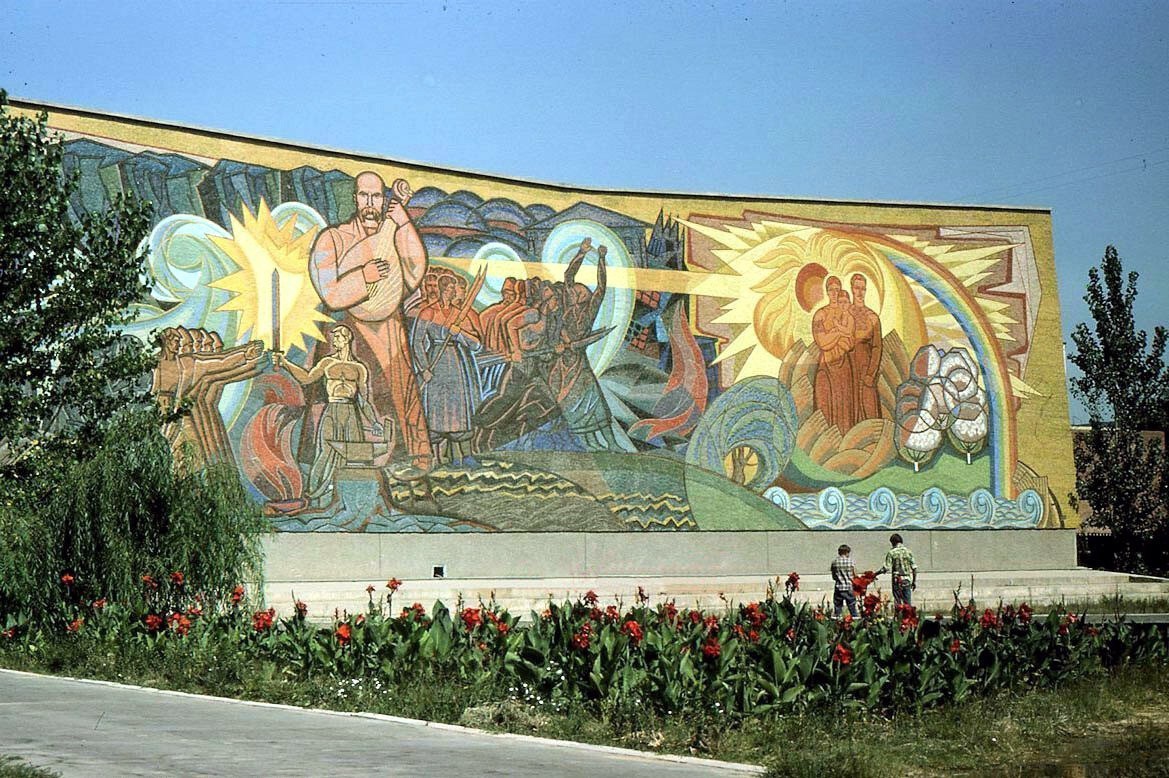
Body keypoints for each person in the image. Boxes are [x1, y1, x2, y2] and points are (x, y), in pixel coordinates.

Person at [307, 171, 432, 476]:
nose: (370, 203)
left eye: (376, 196)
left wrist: (402, 223)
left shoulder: (391, 231)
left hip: (388, 323)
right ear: (355, 199)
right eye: (364, 195)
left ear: (383, 199)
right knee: (347, 390)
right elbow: (330, 293)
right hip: (346, 327)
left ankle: (416, 458)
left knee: (400, 389)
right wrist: (365, 277)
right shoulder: (333, 238)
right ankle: (335, 460)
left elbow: (414, 272)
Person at [274, 325, 382, 506]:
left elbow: (364, 400)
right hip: (332, 411)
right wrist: (285, 362)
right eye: (334, 337)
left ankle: (349, 497)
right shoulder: (327, 363)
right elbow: (306, 378)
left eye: (338, 336)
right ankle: (314, 495)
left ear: (347, 338)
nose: (335, 340)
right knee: (325, 452)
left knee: (353, 453)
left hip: (351, 413)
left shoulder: (359, 368)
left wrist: (374, 423)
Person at [812, 276, 857, 431]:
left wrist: (834, 334)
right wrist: (839, 334)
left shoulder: (846, 313)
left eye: (837, 290)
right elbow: (822, 343)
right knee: (825, 403)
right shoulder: (820, 314)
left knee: (844, 405)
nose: (834, 293)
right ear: (826, 291)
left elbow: (850, 342)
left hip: (843, 366)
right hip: (826, 365)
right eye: (831, 289)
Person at [849, 274, 883, 421]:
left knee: (868, 403)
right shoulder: (844, 312)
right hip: (847, 367)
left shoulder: (873, 317)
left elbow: (877, 347)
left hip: (864, 366)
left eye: (863, 289)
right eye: (857, 288)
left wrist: (871, 373)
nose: (860, 292)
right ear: (851, 289)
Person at [877, 533, 918, 606]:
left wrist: (875, 574)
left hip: (897, 579)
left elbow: (886, 568)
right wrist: (914, 581)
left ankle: (899, 616)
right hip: (907, 579)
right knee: (907, 603)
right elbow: (914, 568)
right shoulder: (908, 552)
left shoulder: (891, 552)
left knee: (898, 602)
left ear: (893, 542)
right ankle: (908, 616)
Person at [830, 544, 860, 618]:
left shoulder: (834, 562)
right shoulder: (851, 561)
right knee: (852, 607)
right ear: (847, 552)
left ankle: (837, 622)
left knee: (837, 607)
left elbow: (834, 576)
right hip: (849, 587)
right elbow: (855, 574)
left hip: (838, 587)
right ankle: (855, 620)